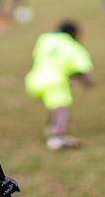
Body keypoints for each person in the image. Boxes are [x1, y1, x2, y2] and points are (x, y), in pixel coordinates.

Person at [24, 21, 95, 150]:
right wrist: (88, 81)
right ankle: (56, 137)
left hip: (34, 79)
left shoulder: (45, 38)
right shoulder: (74, 46)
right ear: (74, 34)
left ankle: (51, 127)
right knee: (62, 108)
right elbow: (81, 69)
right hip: (55, 81)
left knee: (54, 105)